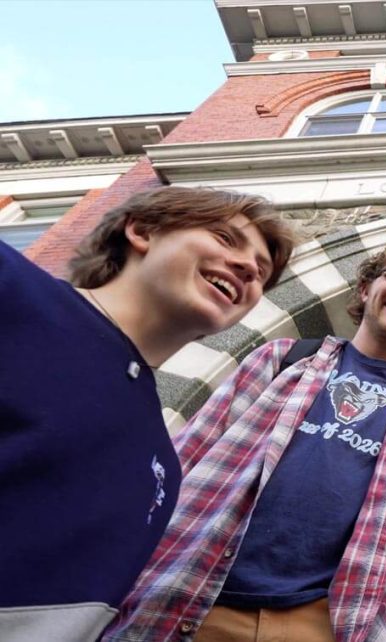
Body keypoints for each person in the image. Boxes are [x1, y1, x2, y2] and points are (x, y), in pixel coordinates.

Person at [104, 236, 386, 642]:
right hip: (197, 595)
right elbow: (185, 455)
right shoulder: (281, 359)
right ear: (366, 288)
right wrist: (121, 553)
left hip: (331, 619)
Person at [0, 186, 294, 641]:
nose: (248, 269)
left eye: (261, 271)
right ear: (141, 230)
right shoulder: (13, 291)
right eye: (224, 237)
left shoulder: (164, 466)